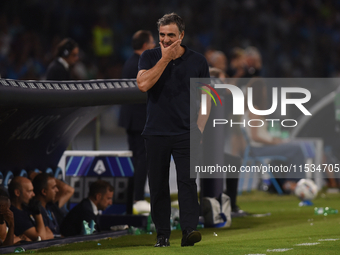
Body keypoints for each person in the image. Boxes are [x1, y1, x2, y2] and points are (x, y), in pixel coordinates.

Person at [137, 13, 210, 247]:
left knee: (188, 184)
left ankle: (189, 231)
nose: (166, 40)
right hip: (156, 132)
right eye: (162, 35)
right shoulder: (149, 57)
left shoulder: (198, 61)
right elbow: (143, 84)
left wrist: (198, 129)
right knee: (158, 186)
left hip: (186, 132)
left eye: (171, 35)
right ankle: (162, 235)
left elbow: (207, 99)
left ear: (182, 35)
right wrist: (165, 59)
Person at [118, 30, 155, 214]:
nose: (155, 45)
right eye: (152, 42)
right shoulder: (141, 63)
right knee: (142, 159)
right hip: (139, 119)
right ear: (146, 45)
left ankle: (134, 197)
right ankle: (138, 198)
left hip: (132, 119)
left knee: (137, 159)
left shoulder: (130, 61)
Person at [9, 176, 54, 241]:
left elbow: (50, 234)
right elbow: (41, 238)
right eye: (30, 191)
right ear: (17, 193)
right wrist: (37, 213)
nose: (33, 194)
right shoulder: (14, 214)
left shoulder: (28, 208)